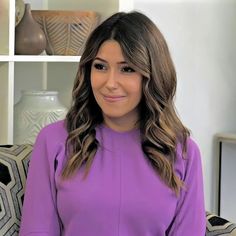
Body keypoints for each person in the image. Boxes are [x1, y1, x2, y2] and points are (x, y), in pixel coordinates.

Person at [19, 11, 206, 236]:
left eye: (127, 69)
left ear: (152, 76)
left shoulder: (183, 153)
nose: (110, 83)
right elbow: (36, 230)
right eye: (100, 66)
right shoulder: (53, 141)